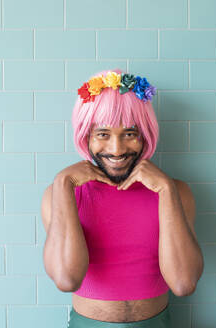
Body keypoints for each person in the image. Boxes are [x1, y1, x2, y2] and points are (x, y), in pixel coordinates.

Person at [41, 68, 204, 328]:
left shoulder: (176, 192)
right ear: (86, 136)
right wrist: (62, 183)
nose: (116, 149)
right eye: (103, 134)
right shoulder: (61, 194)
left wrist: (165, 189)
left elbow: (184, 283)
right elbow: (66, 279)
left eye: (129, 134)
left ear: (145, 135)